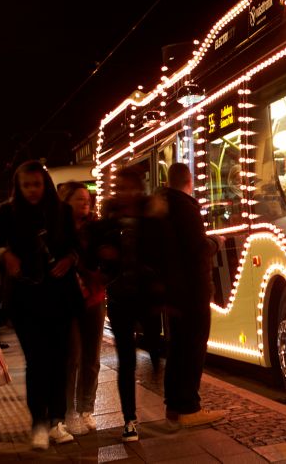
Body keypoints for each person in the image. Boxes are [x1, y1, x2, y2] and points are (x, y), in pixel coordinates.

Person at [0, 160, 81, 450]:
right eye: (26, 185)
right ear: (18, 187)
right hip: (26, 298)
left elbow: (77, 246)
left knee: (58, 359)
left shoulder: (62, 212)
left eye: (36, 184)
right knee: (36, 360)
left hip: (59, 296)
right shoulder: (7, 213)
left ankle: (56, 420)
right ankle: (39, 423)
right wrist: (6, 254)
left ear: (45, 185)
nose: (32, 190)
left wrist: (70, 259)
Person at [90, 168, 164, 442]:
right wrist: (103, 255)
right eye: (119, 188)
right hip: (120, 297)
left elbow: (161, 250)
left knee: (155, 344)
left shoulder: (151, 217)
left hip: (147, 295)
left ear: (139, 189)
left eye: (129, 187)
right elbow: (93, 249)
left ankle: (156, 367)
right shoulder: (108, 222)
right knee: (126, 360)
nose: (124, 193)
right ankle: (129, 419)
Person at [148, 163, 225, 428]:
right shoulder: (185, 207)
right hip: (192, 291)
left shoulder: (162, 207)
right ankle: (189, 408)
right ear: (189, 181)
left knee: (178, 349)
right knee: (192, 349)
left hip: (173, 292)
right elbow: (197, 248)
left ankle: (174, 408)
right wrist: (216, 242)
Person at [59, 182, 104, 436]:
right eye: (79, 199)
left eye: (87, 199)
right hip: (68, 300)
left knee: (92, 357)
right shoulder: (59, 230)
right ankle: (68, 411)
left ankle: (87, 408)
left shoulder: (95, 229)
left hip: (94, 297)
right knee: (72, 357)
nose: (85, 203)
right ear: (67, 202)